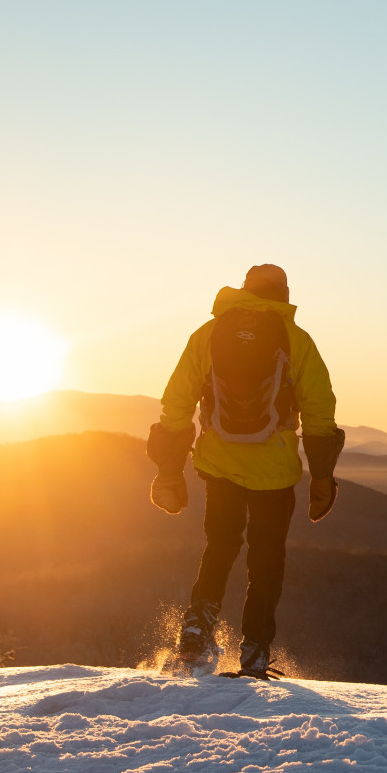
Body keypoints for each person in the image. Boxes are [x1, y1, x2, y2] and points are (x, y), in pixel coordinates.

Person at [145, 264, 344, 678]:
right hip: (275, 471)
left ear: (244, 289)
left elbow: (176, 401)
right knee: (266, 561)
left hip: (219, 466)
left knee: (219, 547)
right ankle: (255, 650)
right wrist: (322, 477)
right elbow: (320, 411)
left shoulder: (209, 334)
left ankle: (196, 634)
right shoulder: (296, 339)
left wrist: (169, 469)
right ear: (283, 293)